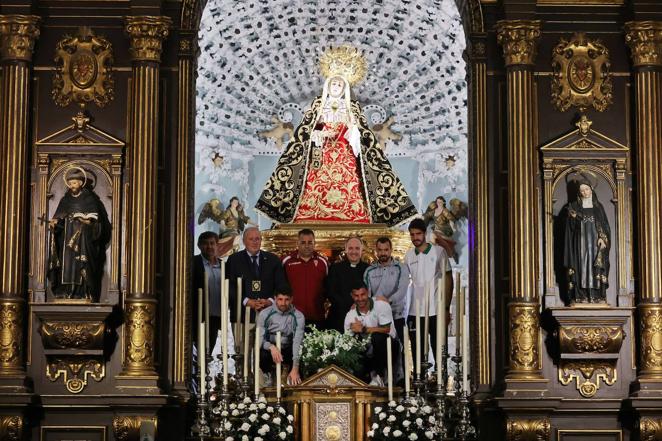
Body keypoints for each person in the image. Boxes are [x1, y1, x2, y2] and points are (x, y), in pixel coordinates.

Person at [255, 52, 417, 227]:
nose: (336, 87)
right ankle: (311, 213)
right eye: (333, 83)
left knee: (351, 182)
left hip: (344, 152)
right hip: (321, 154)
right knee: (315, 182)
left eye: (340, 84)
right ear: (328, 85)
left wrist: (353, 130)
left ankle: (353, 213)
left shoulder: (351, 108)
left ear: (344, 88)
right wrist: (319, 134)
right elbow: (306, 132)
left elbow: (360, 136)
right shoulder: (318, 106)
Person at [48, 167, 111, 301]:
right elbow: (59, 218)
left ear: (81, 183)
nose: (72, 186)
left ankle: (85, 292)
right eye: (70, 184)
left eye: (75, 183)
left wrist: (86, 221)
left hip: (84, 240)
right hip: (67, 241)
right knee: (68, 266)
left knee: (82, 265)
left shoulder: (90, 198)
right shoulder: (65, 200)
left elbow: (97, 222)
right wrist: (55, 223)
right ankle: (67, 291)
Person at [404, 218, 453, 365]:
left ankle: (441, 383)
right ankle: (420, 385)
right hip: (414, 311)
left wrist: (446, 307)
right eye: (412, 235)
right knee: (417, 352)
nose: (415, 238)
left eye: (418, 234)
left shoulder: (439, 252)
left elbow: (448, 278)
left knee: (439, 349)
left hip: (435, 309)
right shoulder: (408, 255)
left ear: (424, 233)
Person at [563, 178, 610, 304]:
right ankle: (581, 296)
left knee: (596, 267)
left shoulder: (598, 207)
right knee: (580, 267)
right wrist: (573, 218)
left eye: (586, 189)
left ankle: (597, 296)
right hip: (580, 243)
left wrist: (602, 238)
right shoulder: (574, 206)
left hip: (595, 243)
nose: (585, 192)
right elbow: (571, 229)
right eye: (582, 191)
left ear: (591, 189)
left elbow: (604, 225)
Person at [226, 227, 288, 322]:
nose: (254, 242)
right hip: (242, 316)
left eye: (257, 239)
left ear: (261, 240)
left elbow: (281, 285)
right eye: (251, 239)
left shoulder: (273, 260)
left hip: (269, 315)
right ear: (244, 241)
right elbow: (229, 286)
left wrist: (270, 301)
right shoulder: (234, 260)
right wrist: (247, 301)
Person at [344, 284, 398, 386]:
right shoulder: (350, 315)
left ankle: (380, 376)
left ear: (368, 293)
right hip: (368, 353)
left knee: (377, 337)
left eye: (362, 294)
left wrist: (364, 329)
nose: (360, 299)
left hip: (389, 348)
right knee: (354, 341)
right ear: (352, 296)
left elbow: (387, 329)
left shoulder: (381, 304)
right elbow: (347, 342)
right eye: (356, 295)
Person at [364, 237, 409, 345]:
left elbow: (401, 291)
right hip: (378, 320)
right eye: (380, 250)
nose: (383, 253)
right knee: (379, 352)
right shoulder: (369, 271)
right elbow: (368, 295)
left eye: (386, 250)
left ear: (391, 249)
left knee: (400, 352)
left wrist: (386, 302)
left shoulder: (401, 268)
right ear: (376, 251)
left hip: (397, 317)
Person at [257, 287, 305, 386]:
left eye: (286, 299)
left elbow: (297, 342)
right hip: (270, 348)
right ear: (275, 299)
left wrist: (295, 368)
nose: (283, 303)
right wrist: (271, 347)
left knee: (302, 357)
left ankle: (295, 384)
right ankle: (268, 378)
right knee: (262, 354)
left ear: (292, 299)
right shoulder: (265, 314)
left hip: (288, 347)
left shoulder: (299, 316)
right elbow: (259, 340)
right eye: (280, 299)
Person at [282, 229, 328, 329]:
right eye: (303, 242)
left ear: (314, 243)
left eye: (310, 242)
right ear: (297, 243)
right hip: (292, 317)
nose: (306, 246)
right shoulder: (286, 261)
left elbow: (328, 287)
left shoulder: (322, 262)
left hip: (317, 317)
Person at [326, 237, 370, 332]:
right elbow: (330, 292)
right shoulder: (335, 268)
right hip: (338, 316)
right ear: (345, 250)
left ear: (362, 250)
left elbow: (372, 292)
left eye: (357, 248)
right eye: (350, 248)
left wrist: (358, 306)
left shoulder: (368, 269)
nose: (354, 251)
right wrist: (349, 305)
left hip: (363, 317)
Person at [192, 231, 224, 348]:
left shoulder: (223, 265)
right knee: (197, 351)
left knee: (209, 350)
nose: (209, 247)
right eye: (205, 244)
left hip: (217, 316)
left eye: (212, 243)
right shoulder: (192, 263)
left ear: (217, 245)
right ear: (199, 246)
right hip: (198, 316)